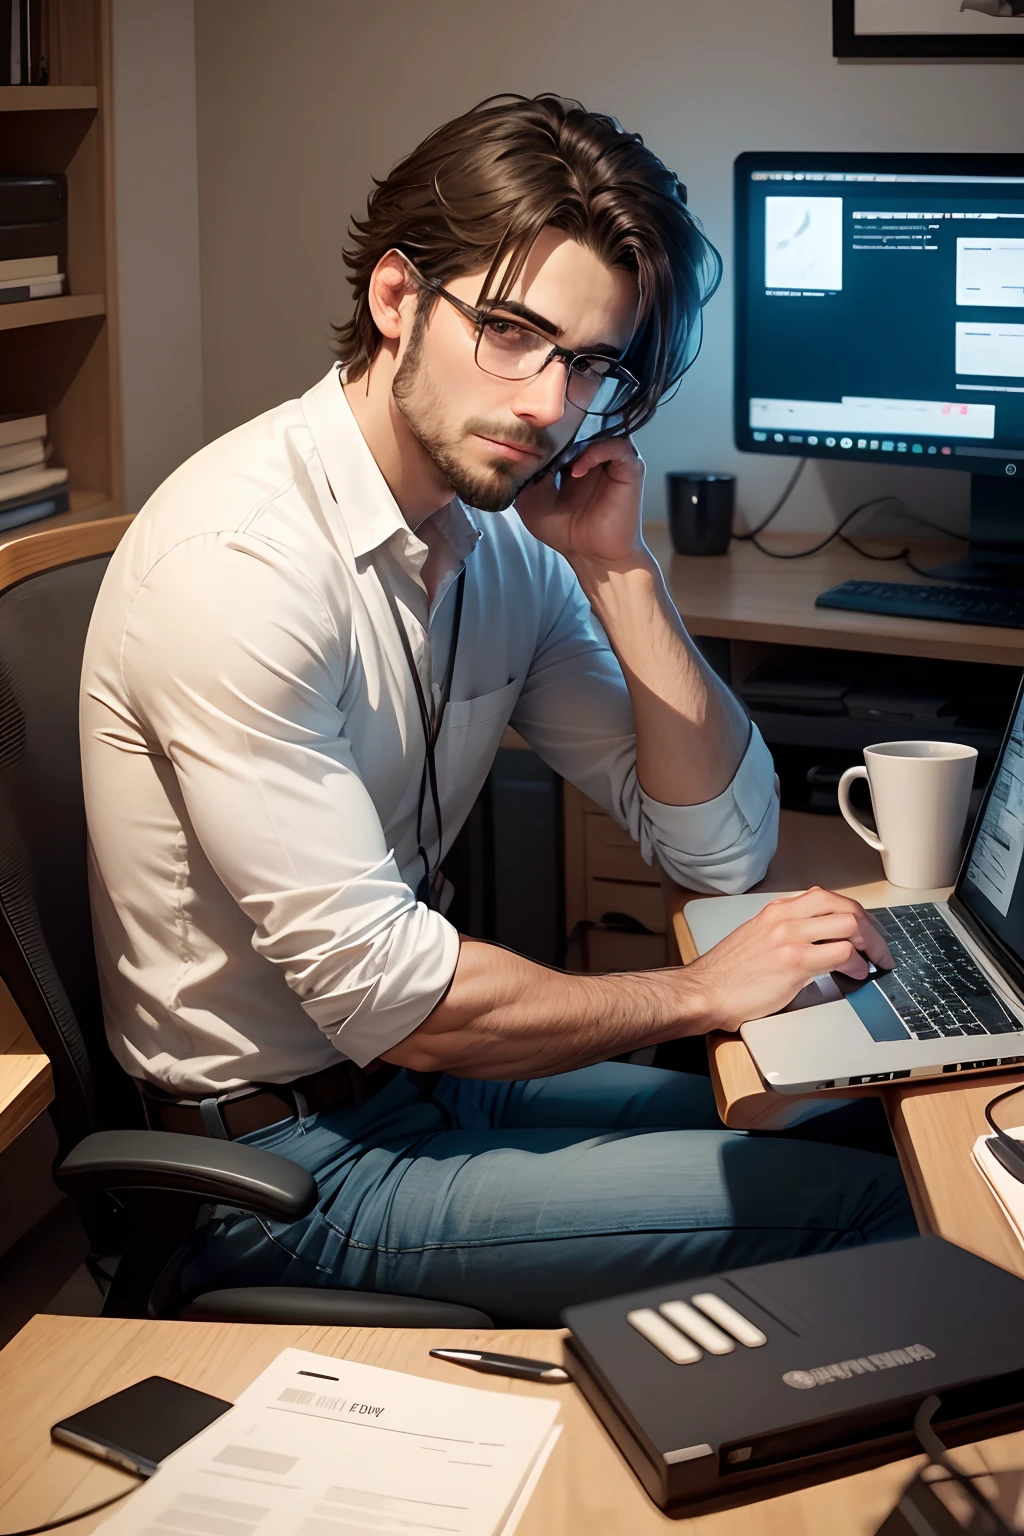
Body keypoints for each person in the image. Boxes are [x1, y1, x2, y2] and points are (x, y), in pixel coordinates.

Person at [81, 93, 913, 1325]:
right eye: (513, 334)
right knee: (876, 1212)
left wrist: (618, 569)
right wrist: (699, 994)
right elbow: (389, 994)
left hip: (406, 1091)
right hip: (278, 1171)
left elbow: (718, 846)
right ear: (397, 300)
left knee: (862, 1130)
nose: (548, 404)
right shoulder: (241, 565)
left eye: (587, 363)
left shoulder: (501, 535)